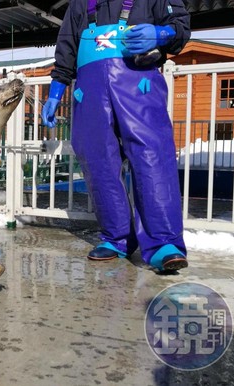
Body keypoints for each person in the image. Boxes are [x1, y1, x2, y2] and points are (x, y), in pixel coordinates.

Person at [41, 0, 190, 272]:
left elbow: (180, 26)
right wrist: (55, 92)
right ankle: (116, 237)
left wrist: (160, 34)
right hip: (89, 92)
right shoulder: (78, 5)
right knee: (98, 161)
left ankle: (164, 243)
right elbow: (66, 50)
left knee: (151, 156)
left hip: (139, 83)